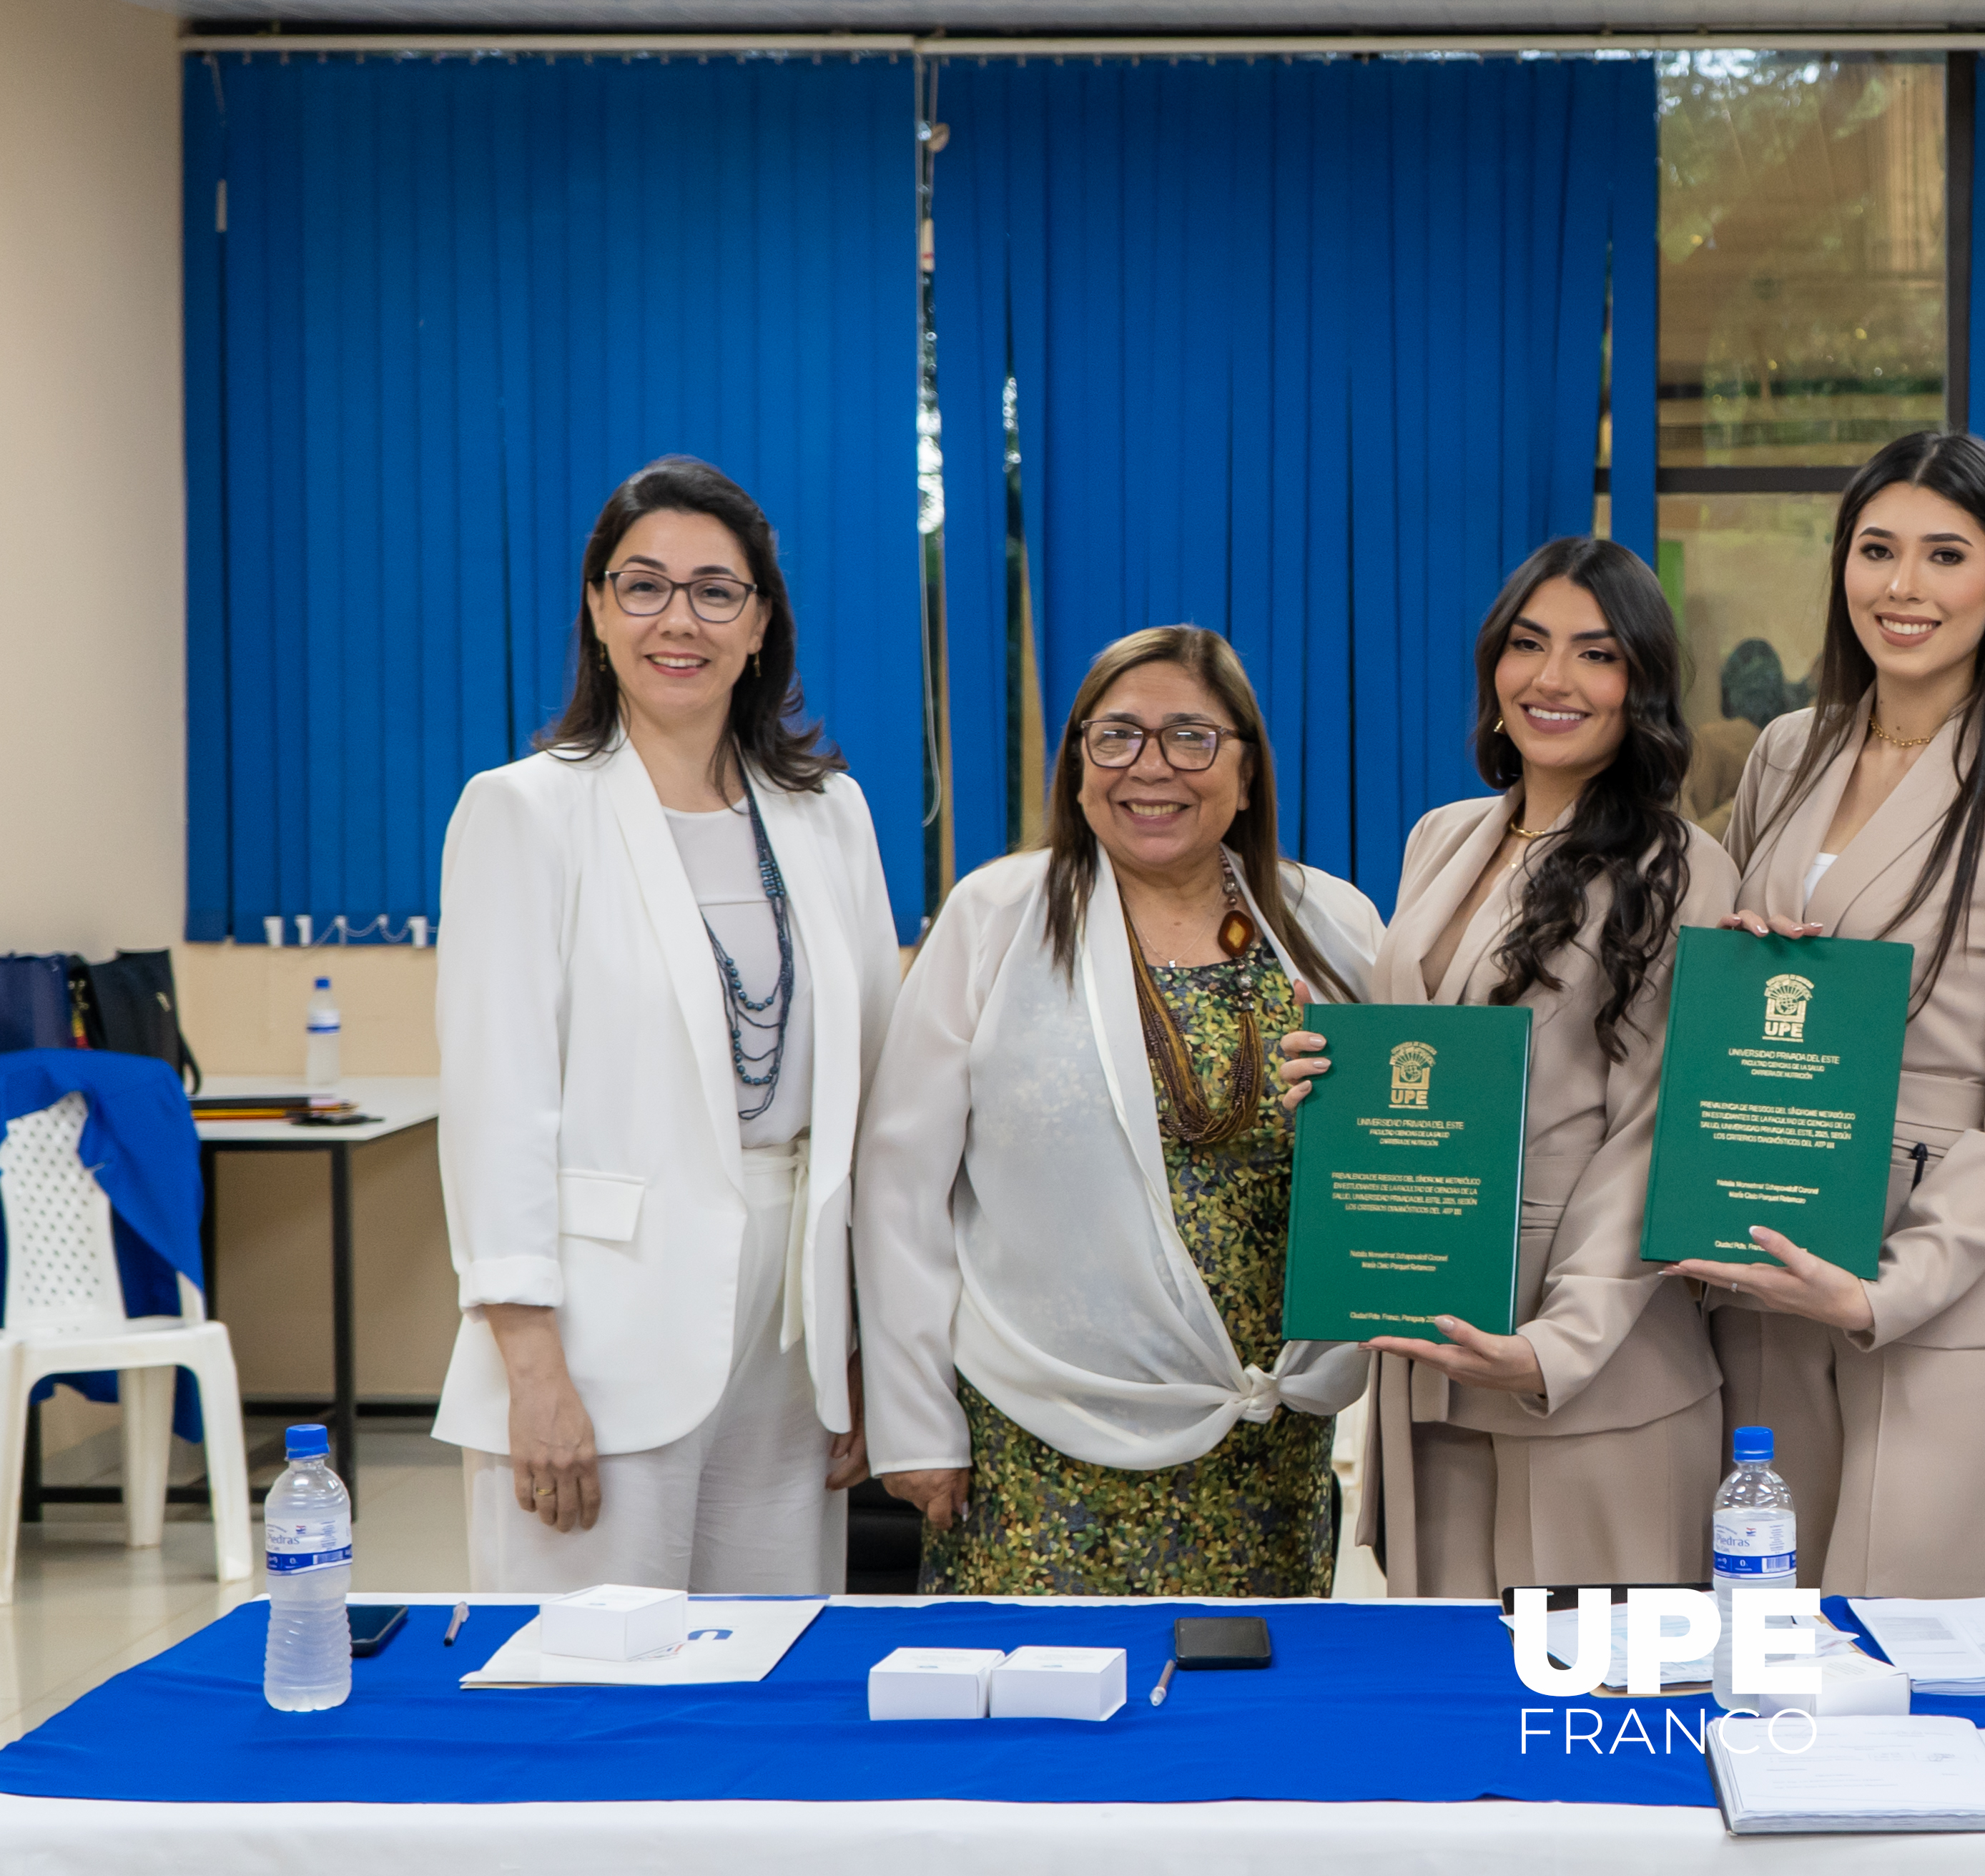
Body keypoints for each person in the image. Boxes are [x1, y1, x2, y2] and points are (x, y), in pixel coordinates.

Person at [1662, 430, 1985, 1598]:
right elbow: (1714, 998)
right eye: (1876, 551)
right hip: (1764, 1261)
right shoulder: (1783, 753)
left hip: (1941, 1292)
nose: (1903, 588)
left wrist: (1886, 1289)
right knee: (1765, 1643)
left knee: (1917, 1674)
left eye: (1943, 555)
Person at [433, 456, 901, 1593]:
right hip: (598, 1338)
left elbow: (878, 1090)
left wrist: (866, 1347)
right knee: (589, 1685)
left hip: (792, 1337)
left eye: (714, 591)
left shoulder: (826, 814)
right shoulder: (525, 812)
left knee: (771, 1677)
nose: (675, 620)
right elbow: (497, 1107)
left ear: (760, 625)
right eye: (641, 587)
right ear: (597, 613)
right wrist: (532, 1365)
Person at [854, 626, 1381, 1596]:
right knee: (1039, 1722)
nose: (1151, 769)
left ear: (1248, 772)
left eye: (1190, 737)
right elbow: (898, 1189)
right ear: (1078, 762)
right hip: (1042, 1433)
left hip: (1266, 1437)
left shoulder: (1334, 927)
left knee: (1240, 1725)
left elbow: (1397, 1155)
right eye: (1117, 737)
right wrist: (913, 1420)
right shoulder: (996, 918)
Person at [1275, 538, 1740, 1594]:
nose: (1552, 679)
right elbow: (1431, 1066)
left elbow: (1658, 1131)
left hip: (1586, 1369)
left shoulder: (1681, 869)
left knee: (1586, 1721)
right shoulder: (1443, 835)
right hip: (1428, 1346)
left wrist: (1554, 1343)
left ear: (1643, 686)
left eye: (1595, 653)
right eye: (1528, 645)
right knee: (1449, 1717)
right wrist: (1334, 1083)